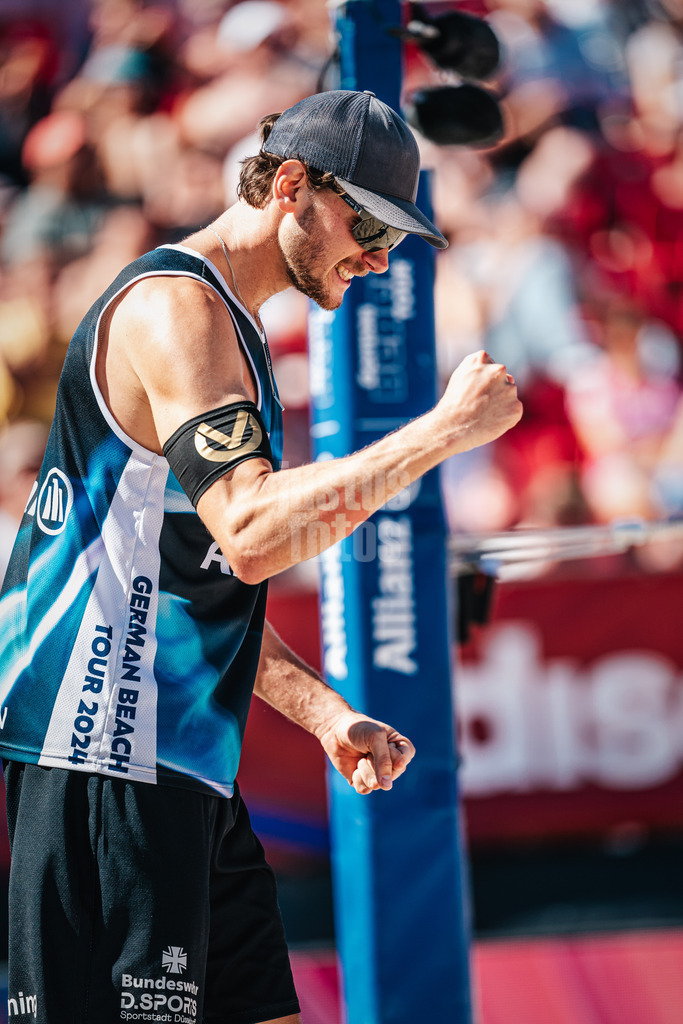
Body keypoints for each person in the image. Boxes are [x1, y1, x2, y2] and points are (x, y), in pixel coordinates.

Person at [0, 89, 522, 1024]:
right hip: (100, 753)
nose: (379, 257)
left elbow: (195, 584)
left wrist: (324, 715)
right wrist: (439, 433)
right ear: (291, 186)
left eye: (394, 238)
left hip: (179, 759)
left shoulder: (228, 326)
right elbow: (249, 538)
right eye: (369, 226)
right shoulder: (176, 309)